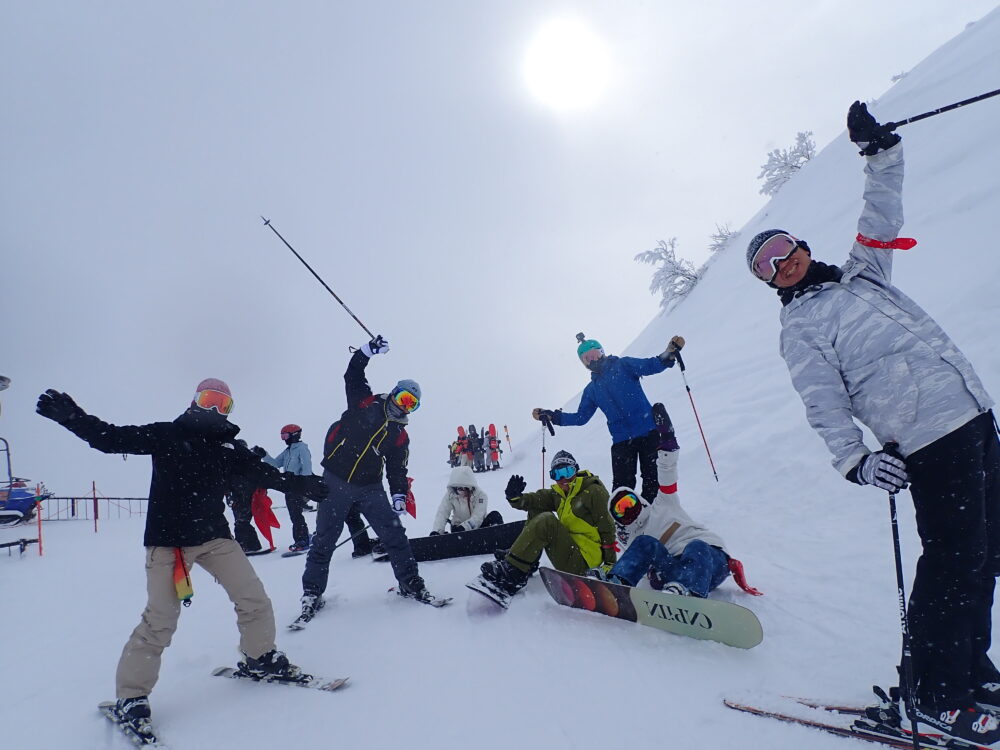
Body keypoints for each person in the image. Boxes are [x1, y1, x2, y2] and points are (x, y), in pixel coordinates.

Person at [745, 101, 1000, 745]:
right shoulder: (801, 327)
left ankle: (971, 669)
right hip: (926, 441)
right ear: (768, 282)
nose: (781, 263)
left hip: (973, 418)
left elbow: (881, 214)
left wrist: (881, 152)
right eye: (767, 266)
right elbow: (822, 402)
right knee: (952, 562)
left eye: (782, 250)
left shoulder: (863, 274)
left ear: (802, 246)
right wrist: (855, 459)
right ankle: (933, 695)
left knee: (985, 554)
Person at [35, 379, 328, 736]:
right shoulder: (167, 435)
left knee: (253, 599)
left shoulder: (228, 448)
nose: (214, 409)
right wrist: (73, 418)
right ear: (194, 402)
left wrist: (303, 484)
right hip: (169, 542)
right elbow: (110, 438)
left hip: (215, 537)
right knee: (160, 620)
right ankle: (131, 696)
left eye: (223, 404)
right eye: (209, 399)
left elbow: (264, 474)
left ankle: (259, 657)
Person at [297, 335, 437, 623]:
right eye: (403, 398)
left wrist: (399, 494)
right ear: (394, 393)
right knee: (324, 539)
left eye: (411, 404)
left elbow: (397, 469)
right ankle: (312, 593)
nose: (404, 406)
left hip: (370, 487)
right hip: (335, 481)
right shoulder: (366, 403)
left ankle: (410, 582)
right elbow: (353, 374)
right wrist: (366, 351)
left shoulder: (400, 435)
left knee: (394, 535)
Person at [532, 333, 685, 503]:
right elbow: (581, 417)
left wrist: (668, 354)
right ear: (584, 364)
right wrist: (553, 416)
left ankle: (655, 514)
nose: (592, 359)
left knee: (653, 479)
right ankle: (626, 518)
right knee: (621, 488)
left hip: (648, 432)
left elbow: (650, 365)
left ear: (602, 352)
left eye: (595, 354)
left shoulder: (623, 365)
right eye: (587, 358)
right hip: (621, 441)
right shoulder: (591, 390)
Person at [593, 430, 732, 598]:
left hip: (710, 561)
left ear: (639, 500)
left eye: (629, 502)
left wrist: (668, 449)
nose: (628, 509)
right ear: (618, 519)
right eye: (620, 509)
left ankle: (689, 593)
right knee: (644, 542)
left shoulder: (663, 503)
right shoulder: (634, 540)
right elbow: (636, 563)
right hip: (674, 570)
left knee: (696, 546)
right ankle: (617, 583)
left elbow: (667, 475)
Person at [478, 450, 616, 599]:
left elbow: (608, 528)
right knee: (536, 509)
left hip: (584, 563)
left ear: (576, 470)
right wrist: (515, 497)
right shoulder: (560, 494)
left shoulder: (594, 491)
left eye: (567, 472)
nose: (563, 479)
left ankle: (513, 573)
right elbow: (534, 500)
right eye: (556, 474)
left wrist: (610, 565)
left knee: (547, 521)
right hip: (570, 551)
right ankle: (525, 560)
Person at [255, 424, 327, 553]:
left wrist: (302, 480)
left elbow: (307, 466)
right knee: (294, 514)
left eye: (285, 435)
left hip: (300, 485)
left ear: (294, 435)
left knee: (296, 514)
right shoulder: (288, 451)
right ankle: (304, 537)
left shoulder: (302, 448)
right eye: (282, 436)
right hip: (290, 486)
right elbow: (276, 464)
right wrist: (264, 455)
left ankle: (302, 540)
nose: (284, 439)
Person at [430, 465, 503, 535]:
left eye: (466, 488)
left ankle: (497, 537)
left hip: (478, 528)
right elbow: (442, 513)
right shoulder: (451, 495)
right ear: (454, 488)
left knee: (495, 516)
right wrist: (436, 531)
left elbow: (478, 516)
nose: (463, 491)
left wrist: (464, 527)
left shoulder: (481, 496)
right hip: (458, 529)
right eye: (460, 489)